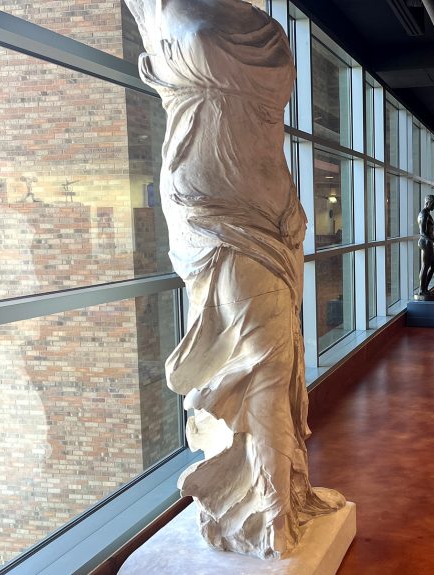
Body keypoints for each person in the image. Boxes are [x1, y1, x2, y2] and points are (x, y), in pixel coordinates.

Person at [125, 0, 344, 559]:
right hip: (212, 210)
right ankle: (269, 513)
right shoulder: (161, 7)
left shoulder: (260, 19)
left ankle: (284, 495)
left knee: (282, 356)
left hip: (277, 212)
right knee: (262, 361)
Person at [416, 194, 434, 297]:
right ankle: (422, 290)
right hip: (425, 242)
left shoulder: (427, 213)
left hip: (429, 242)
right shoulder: (424, 214)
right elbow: (422, 232)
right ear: (427, 202)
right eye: (433, 204)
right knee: (425, 267)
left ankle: (425, 289)